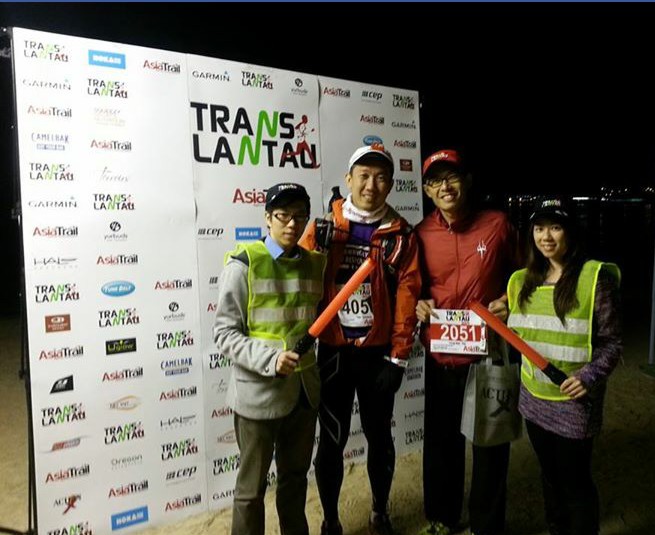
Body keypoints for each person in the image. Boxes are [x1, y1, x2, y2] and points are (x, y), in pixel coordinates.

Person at [300, 143, 421, 535]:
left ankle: (380, 513)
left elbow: (407, 298)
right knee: (331, 440)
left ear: (391, 184)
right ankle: (331, 520)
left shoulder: (402, 234)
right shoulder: (325, 227)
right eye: (364, 176)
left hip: (377, 355)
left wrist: (398, 357)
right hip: (333, 352)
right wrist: (314, 246)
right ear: (348, 179)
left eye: (381, 177)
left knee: (379, 437)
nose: (371, 185)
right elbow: (298, 280)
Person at [415, 149, 518, 535]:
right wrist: (419, 304)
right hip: (441, 354)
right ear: (427, 190)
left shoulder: (498, 224)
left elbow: (525, 274)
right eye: (435, 181)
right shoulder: (420, 233)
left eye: (452, 177)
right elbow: (413, 287)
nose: (445, 186)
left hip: (487, 354)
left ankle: (486, 525)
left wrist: (509, 300)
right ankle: (442, 518)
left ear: (468, 181)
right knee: (440, 443)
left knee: (490, 443)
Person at [213, 182, 326, 535]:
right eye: (282, 215)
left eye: (300, 216)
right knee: (251, 491)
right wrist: (270, 359)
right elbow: (224, 334)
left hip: (304, 394)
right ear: (267, 218)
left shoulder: (314, 264)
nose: (292, 223)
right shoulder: (244, 264)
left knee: (295, 482)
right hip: (258, 396)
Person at [507, 196, 621, 535]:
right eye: (539, 228)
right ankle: (557, 527)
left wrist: (588, 377)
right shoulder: (521, 281)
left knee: (575, 481)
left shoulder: (594, 278)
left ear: (570, 231)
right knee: (549, 474)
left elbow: (612, 342)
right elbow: (520, 332)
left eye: (555, 227)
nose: (546, 236)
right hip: (533, 399)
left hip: (574, 402)